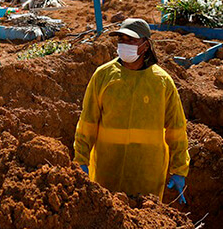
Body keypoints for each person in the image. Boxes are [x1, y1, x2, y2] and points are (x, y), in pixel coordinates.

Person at [74, 18, 189, 203]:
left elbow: (176, 129)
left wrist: (179, 169)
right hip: (107, 172)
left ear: (146, 45)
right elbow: (87, 122)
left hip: (147, 177)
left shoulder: (162, 82)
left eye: (131, 40)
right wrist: (81, 160)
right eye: (121, 40)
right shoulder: (103, 76)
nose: (124, 44)